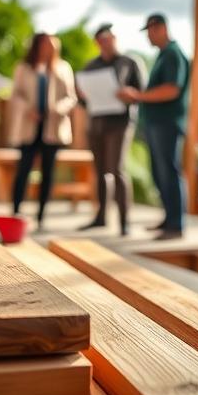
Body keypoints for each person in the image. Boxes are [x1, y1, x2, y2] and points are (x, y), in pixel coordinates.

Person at [119, 13, 190, 239]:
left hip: (167, 123)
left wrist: (139, 96)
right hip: (157, 124)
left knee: (169, 172)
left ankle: (175, 225)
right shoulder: (162, 55)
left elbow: (172, 89)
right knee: (160, 174)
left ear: (160, 28)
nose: (148, 37)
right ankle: (169, 219)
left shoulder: (172, 54)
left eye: (149, 31)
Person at [77, 23, 143, 236]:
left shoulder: (129, 62)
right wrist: (84, 96)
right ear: (97, 42)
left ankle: (124, 221)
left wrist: (130, 94)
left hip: (120, 123)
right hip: (96, 123)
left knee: (117, 169)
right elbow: (82, 101)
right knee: (100, 170)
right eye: (102, 39)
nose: (107, 42)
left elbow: (141, 93)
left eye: (110, 37)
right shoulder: (90, 67)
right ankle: (101, 217)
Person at [9, 33, 77, 229]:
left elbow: (70, 97)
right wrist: (28, 110)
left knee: (48, 173)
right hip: (29, 127)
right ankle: (15, 211)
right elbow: (16, 94)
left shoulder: (63, 68)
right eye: (45, 44)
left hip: (52, 128)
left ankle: (41, 217)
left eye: (53, 45)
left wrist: (57, 110)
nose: (49, 48)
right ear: (37, 46)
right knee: (23, 170)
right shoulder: (23, 67)